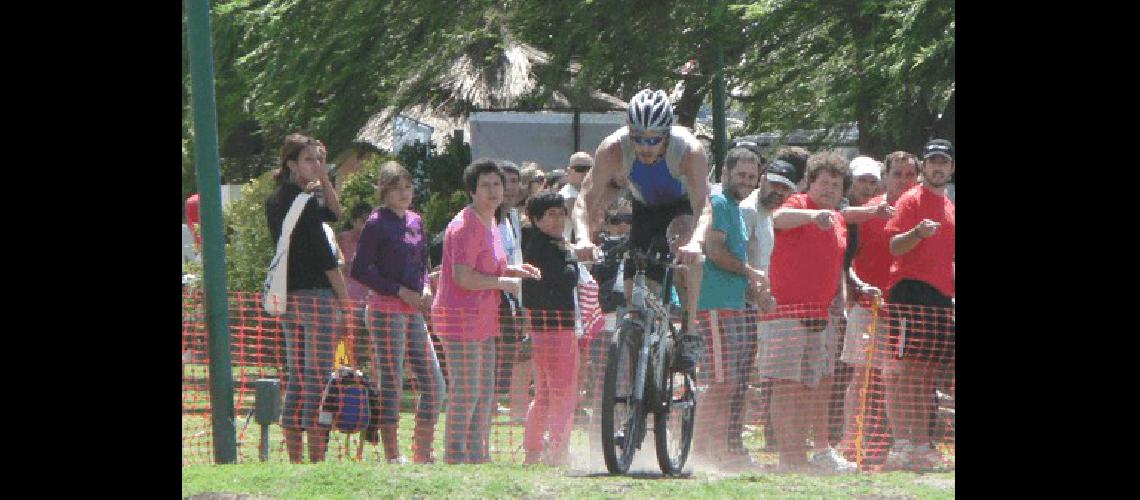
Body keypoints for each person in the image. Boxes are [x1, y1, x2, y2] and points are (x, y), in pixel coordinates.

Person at [571, 89, 712, 371]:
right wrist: (584, 238)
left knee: (686, 242)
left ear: (667, 134)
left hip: (682, 206)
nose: (645, 147)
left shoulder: (688, 151)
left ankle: (689, 331)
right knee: (635, 291)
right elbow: (584, 199)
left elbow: (704, 208)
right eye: (638, 138)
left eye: (653, 140)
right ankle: (640, 354)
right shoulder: (613, 148)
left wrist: (696, 243)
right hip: (645, 207)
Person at [431, 159, 541, 464]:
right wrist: (503, 282)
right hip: (459, 318)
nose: (493, 191)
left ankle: (478, 452)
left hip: (484, 317)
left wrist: (517, 271)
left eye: (497, 184)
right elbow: (463, 276)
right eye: (485, 185)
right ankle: (455, 453)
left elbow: (493, 265)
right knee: (466, 390)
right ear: (472, 191)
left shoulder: (492, 220)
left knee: (485, 389)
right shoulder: (465, 225)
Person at [763, 150, 857, 473]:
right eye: (825, 182)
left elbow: (836, 265)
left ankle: (806, 454)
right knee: (786, 385)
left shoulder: (840, 219)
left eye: (837, 184)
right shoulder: (799, 205)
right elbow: (776, 220)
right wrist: (810, 217)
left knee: (811, 386)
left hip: (822, 317)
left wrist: (840, 299)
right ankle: (788, 457)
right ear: (809, 183)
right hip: (786, 313)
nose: (830, 189)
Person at [350, 161, 446, 464]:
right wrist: (398, 290)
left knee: (433, 381)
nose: (404, 193)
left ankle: (423, 451)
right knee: (392, 379)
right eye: (397, 188)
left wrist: (426, 287)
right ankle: (393, 454)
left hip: (414, 309)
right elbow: (359, 269)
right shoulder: (377, 223)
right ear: (384, 191)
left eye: (408, 187)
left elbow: (422, 261)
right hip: (385, 309)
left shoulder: (416, 220)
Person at [264, 133, 349, 463]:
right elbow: (326, 260)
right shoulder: (304, 204)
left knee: (298, 374)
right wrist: (345, 303)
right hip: (315, 296)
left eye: (319, 159)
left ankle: (296, 456)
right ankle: (315, 456)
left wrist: (324, 177)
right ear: (291, 164)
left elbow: (336, 212)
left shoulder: (278, 199)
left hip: (288, 296)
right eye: (310, 160)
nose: (316, 165)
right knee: (317, 375)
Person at [836, 150, 919, 465]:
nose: (903, 180)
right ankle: (851, 441)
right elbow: (847, 258)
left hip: (908, 312)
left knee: (900, 379)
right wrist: (855, 288)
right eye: (897, 174)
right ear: (886, 177)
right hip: (868, 307)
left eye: (909, 174)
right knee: (861, 378)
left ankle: (897, 443)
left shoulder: (923, 210)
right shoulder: (867, 212)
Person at [691, 147, 770, 470]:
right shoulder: (720, 203)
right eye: (741, 175)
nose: (746, 182)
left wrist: (754, 289)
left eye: (752, 177)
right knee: (720, 382)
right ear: (725, 174)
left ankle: (717, 446)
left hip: (734, 305)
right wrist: (751, 272)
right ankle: (701, 449)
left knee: (731, 382)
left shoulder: (737, 209)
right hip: (714, 305)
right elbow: (714, 250)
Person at [882, 139, 955, 472]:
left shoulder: (950, 206)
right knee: (907, 373)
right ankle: (902, 445)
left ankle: (921, 444)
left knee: (926, 375)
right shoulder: (911, 200)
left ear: (951, 168)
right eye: (933, 162)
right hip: (910, 295)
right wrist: (917, 233)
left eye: (944, 162)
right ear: (924, 167)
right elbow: (895, 246)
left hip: (940, 298)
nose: (938, 167)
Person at [520, 191, 581, 466]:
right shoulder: (547, 248)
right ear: (536, 219)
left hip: (544, 329)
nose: (557, 220)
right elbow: (567, 278)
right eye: (550, 215)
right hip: (556, 329)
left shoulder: (539, 244)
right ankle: (558, 449)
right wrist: (571, 257)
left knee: (545, 391)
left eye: (560, 213)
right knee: (562, 391)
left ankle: (534, 449)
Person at [493, 160, 533, 425]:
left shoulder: (514, 217)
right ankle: (491, 402)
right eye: (504, 182)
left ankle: (513, 405)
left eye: (515, 182)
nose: (510, 188)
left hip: (513, 293)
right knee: (497, 352)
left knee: (516, 350)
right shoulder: (487, 216)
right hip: (493, 292)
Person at [337, 202, 375, 367]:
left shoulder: (376, 243)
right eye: (362, 221)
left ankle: (367, 378)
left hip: (368, 303)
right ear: (354, 221)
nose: (366, 226)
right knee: (344, 342)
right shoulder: (342, 239)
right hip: (347, 302)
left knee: (367, 345)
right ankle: (341, 374)